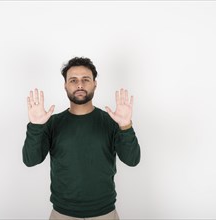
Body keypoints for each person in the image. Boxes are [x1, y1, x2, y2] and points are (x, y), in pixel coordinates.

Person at [22, 57, 141, 220]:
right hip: (62, 213)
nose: (79, 85)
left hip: (104, 212)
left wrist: (125, 126)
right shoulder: (52, 123)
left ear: (95, 84)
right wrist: (36, 126)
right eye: (73, 80)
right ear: (65, 85)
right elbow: (31, 160)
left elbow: (132, 160)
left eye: (86, 79)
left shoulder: (112, 122)